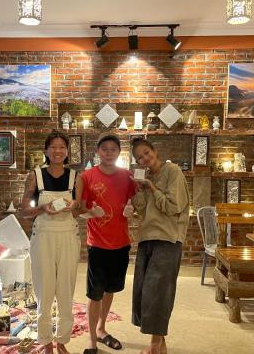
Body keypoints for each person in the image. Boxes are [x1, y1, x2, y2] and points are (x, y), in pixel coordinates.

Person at [75, 132, 136, 354]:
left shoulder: (128, 176)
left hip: (121, 243)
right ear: (97, 152)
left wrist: (133, 209)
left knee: (110, 289)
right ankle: (91, 341)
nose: (109, 153)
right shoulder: (86, 176)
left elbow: (135, 204)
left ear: (119, 152)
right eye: (104, 149)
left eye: (113, 149)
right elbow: (78, 210)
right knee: (94, 293)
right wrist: (91, 212)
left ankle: (101, 329)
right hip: (98, 244)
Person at [21, 130, 80, 354]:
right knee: (44, 290)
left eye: (62, 147)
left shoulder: (76, 177)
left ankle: (62, 340)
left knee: (66, 289)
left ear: (67, 152)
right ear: (46, 150)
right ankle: (46, 341)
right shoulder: (35, 175)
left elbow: (81, 209)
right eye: (53, 147)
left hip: (68, 236)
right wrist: (41, 208)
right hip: (42, 235)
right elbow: (25, 211)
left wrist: (75, 206)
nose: (57, 151)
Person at [130, 137, 190, 354]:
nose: (144, 158)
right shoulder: (147, 178)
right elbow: (141, 210)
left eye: (146, 152)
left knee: (157, 291)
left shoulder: (172, 171)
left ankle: (154, 346)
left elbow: (173, 207)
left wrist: (152, 188)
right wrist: (139, 189)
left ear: (154, 150)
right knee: (145, 292)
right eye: (139, 157)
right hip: (147, 237)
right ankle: (160, 345)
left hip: (167, 238)